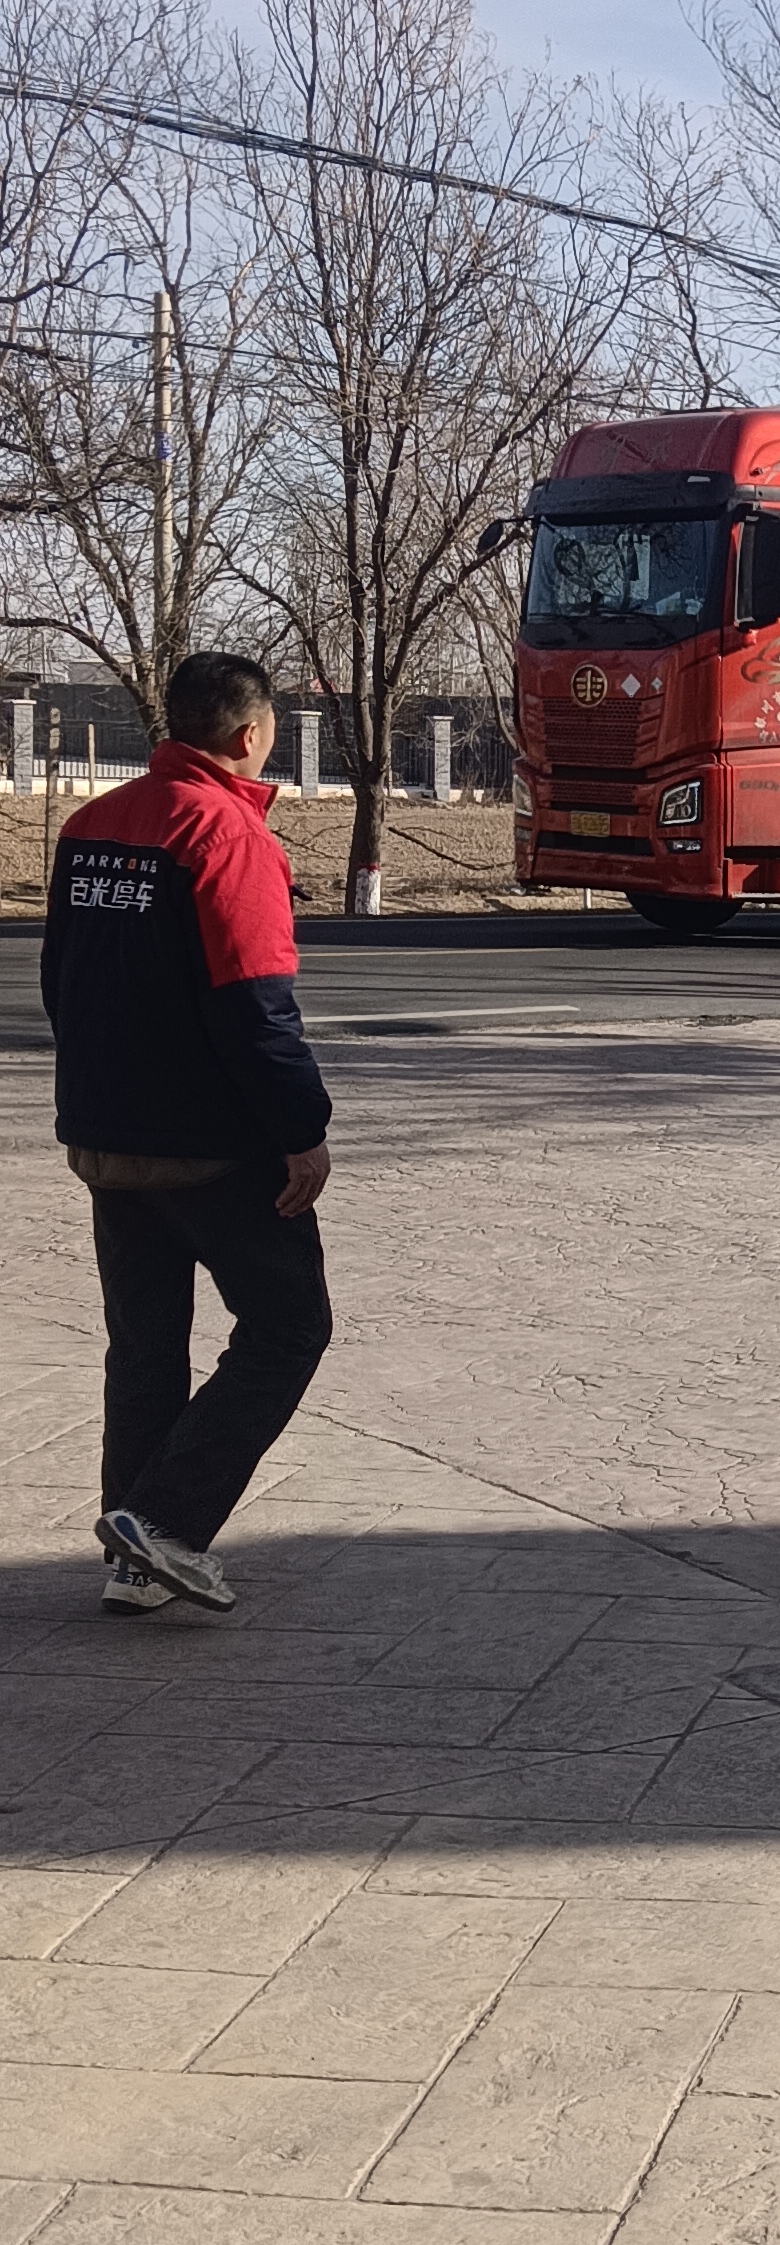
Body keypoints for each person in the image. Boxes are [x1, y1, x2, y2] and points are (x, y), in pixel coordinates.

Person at [42, 651, 333, 1616]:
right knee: (289, 1325)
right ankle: (163, 1524)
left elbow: (61, 981)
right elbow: (257, 1010)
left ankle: (134, 1561)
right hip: (211, 1145)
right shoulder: (227, 834)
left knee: (145, 1346)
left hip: (105, 1134)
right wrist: (302, 1131)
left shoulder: (89, 826)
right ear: (252, 734)